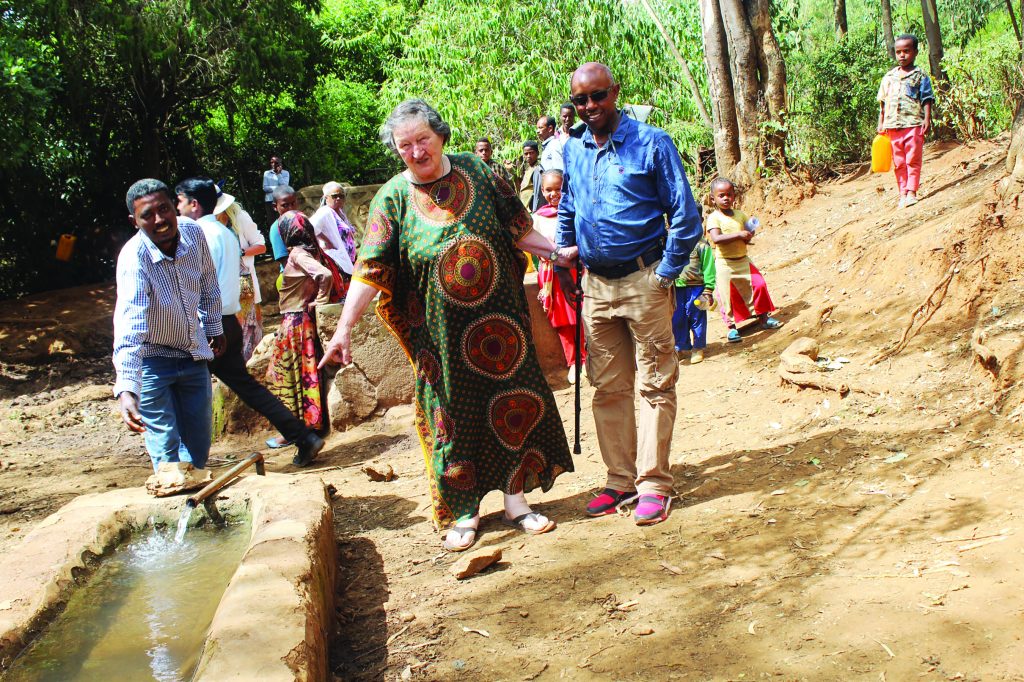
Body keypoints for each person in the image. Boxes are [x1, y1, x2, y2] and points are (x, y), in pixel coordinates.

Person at [320, 99, 575, 552]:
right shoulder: (393, 198)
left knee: (510, 404)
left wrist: (558, 253)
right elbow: (369, 270)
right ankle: (465, 511)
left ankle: (515, 502)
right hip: (439, 340)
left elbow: (519, 228)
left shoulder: (480, 171)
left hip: (504, 329)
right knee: (451, 419)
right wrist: (343, 329)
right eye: (405, 145)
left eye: (423, 140)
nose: (417, 151)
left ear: (441, 136)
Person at [555, 62, 703, 526]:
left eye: (598, 96)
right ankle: (619, 479)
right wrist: (564, 258)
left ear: (614, 92)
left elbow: (685, 212)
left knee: (656, 384)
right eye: (581, 100)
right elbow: (568, 206)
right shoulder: (574, 147)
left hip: (645, 279)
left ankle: (654, 483)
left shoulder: (652, 142)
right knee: (608, 386)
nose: (590, 107)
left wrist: (667, 274)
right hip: (595, 285)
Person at [176, 177, 325, 467]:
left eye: (179, 201)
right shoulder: (224, 233)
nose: (176, 208)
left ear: (194, 204)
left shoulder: (196, 235)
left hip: (208, 325)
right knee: (246, 386)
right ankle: (302, 436)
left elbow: (199, 286)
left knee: (184, 388)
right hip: (228, 321)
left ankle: (188, 461)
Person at [113, 179, 225, 493]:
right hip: (152, 362)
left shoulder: (192, 232)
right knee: (168, 459)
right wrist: (127, 389)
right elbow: (130, 326)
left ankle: (198, 527)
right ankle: (177, 528)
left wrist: (214, 328)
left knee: (199, 452)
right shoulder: (134, 259)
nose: (160, 220)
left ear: (173, 207)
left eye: (164, 209)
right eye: (148, 215)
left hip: (192, 355)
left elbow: (208, 284)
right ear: (134, 221)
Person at [266, 211, 333, 444]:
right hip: (300, 322)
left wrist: (321, 300)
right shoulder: (312, 251)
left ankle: (293, 431)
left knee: (285, 376)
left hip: (295, 322)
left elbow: (324, 275)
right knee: (304, 375)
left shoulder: (297, 254)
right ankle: (305, 425)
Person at [704, 177, 782, 342]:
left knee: (758, 285)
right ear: (713, 198)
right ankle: (731, 328)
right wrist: (739, 234)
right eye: (721, 195)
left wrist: (748, 233)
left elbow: (746, 234)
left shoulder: (740, 215)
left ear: (734, 196)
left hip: (743, 259)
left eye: (729, 194)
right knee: (727, 295)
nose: (726, 198)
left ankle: (763, 318)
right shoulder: (714, 217)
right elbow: (716, 239)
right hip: (725, 262)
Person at [532, 169, 585, 384]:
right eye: (548, 190)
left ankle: (587, 358)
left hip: (575, 268)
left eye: (558, 189)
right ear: (542, 191)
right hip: (550, 276)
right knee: (563, 321)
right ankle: (573, 362)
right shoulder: (537, 218)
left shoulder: (576, 210)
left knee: (582, 315)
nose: (554, 194)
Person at [877, 34, 934, 209]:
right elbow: (883, 102)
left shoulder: (920, 75)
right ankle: (902, 192)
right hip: (892, 127)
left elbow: (927, 99)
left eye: (906, 51)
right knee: (899, 162)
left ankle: (912, 192)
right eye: (898, 52)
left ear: (915, 52)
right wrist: (881, 123)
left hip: (913, 124)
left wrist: (927, 118)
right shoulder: (889, 77)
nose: (902, 55)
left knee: (913, 160)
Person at [214, 189, 265, 362]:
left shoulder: (240, 217)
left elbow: (261, 246)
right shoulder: (205, 224)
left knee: (249, 333)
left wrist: (239, 252)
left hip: (244, 287)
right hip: (221, 289)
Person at [672, 236, 716, 364]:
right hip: (676, 288)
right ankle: (681, 346)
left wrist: (708, 289)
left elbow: (709, 267)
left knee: (698, 316)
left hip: (697, 287)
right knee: (677, 318)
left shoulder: (702, 244)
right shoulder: (671, 241)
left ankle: (698, 347)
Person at [310, 181, 358, 292]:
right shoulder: (324, 212)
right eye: (334, 196)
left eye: (341, 196)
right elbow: (309, 228)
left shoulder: (339, 213)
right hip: (336, 261)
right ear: (326, 198)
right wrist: (324, 240)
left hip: (346, 260)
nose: (338, 199)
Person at [268, 185, 299, 266]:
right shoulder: (276, 228)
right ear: (275, 207)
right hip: (295, 274)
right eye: (285, 205)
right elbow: (284, 260)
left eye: (293, 203)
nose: (290, 208)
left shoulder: (301, 221)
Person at [263, 156, 290, 227]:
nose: (273, 164)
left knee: (282, 221)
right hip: (270, 201)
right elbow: (265, 188)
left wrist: (278, 174)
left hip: (281, 201)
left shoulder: (285, 173)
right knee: (271, 222)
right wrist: (278, 188)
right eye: (271, 162)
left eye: (275, 163)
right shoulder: (267, 173)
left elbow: (284, 186)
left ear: (280, 164)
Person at [519, 141, 540, 209]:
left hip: (532, 208)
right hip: (525, 207)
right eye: (526, 154)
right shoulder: (528, 169)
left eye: (531, 153)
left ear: (537, 153)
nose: (528, 156)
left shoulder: (538, 169)